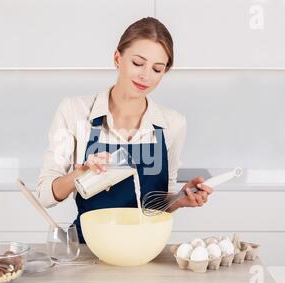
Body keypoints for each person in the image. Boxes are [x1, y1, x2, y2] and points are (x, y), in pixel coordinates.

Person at [37, 17, 213, 243]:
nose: (146, 76)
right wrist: (82, 173)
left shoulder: (173, 124)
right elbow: (45, 195)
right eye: (138, 63)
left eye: (157, 69)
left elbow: (157, 205)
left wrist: (180, 198)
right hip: (89, 249)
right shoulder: (75, 111)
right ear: (117, 58)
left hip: (146, 251)